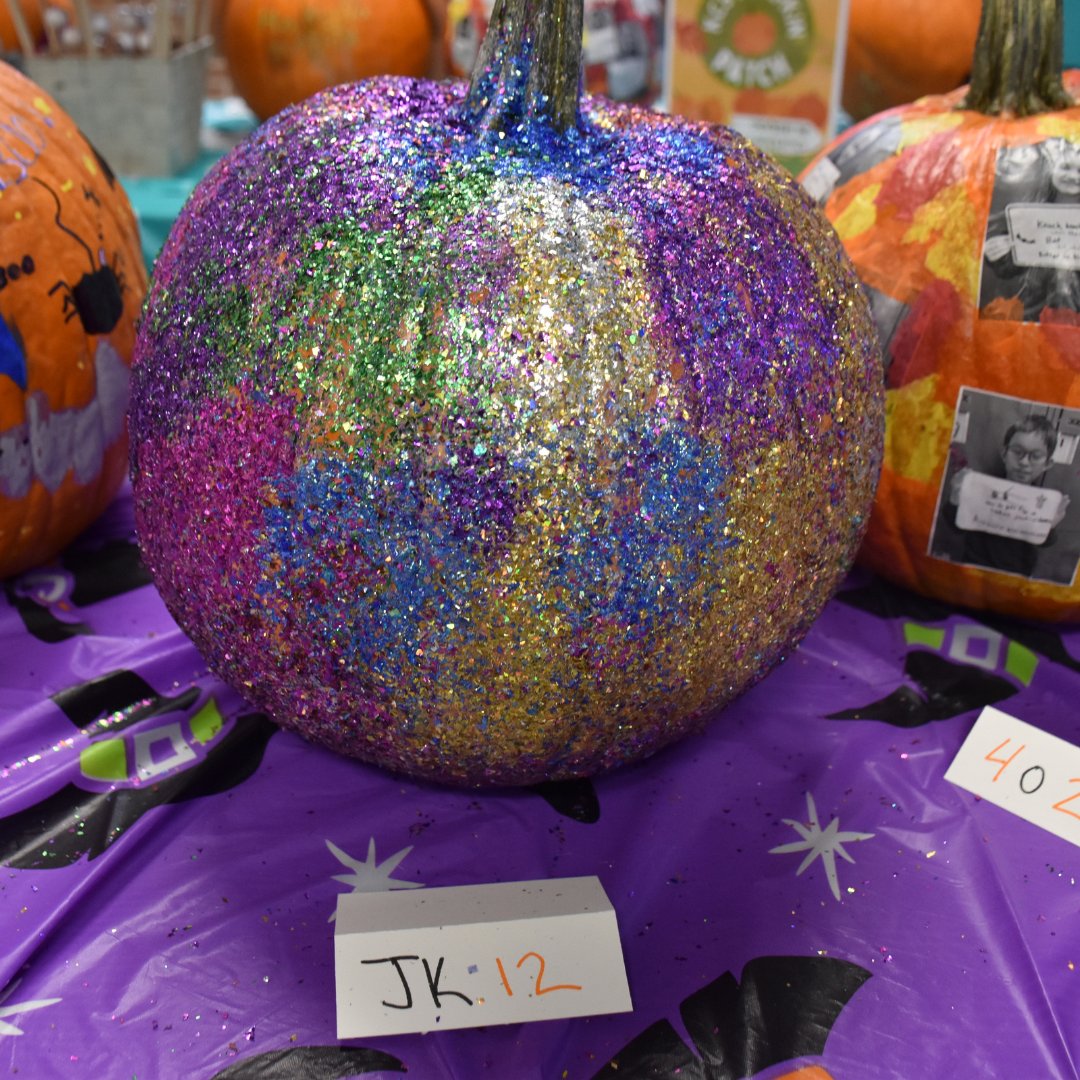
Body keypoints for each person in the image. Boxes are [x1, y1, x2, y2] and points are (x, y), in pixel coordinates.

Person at [945, 415, 1069, 577]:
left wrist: (1048, 526)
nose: (1024, 462)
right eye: (1017, 452)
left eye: (1035, 456)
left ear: (1047, 464)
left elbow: (1047, 542)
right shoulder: (982, 489)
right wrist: (955, 499)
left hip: (1014, 578)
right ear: (1004, 454)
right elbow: (954, 526)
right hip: (973, 571)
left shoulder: (1043, 502)